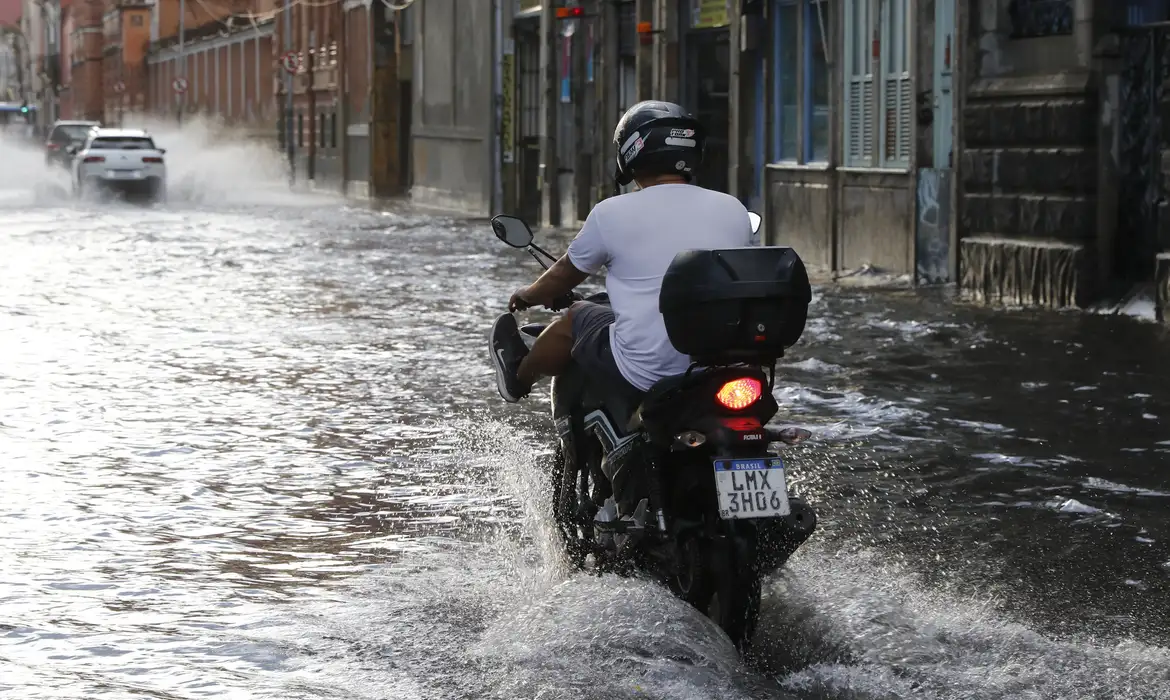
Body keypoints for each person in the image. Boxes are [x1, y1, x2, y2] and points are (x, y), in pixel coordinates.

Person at [489, 100, 755, 403]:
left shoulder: (611, 213)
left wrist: (527, 295)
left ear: (631, 152)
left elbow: (563, 275)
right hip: (721, 366)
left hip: (645, 371)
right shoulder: (733, 208)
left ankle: (518, 378)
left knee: (577, 317)